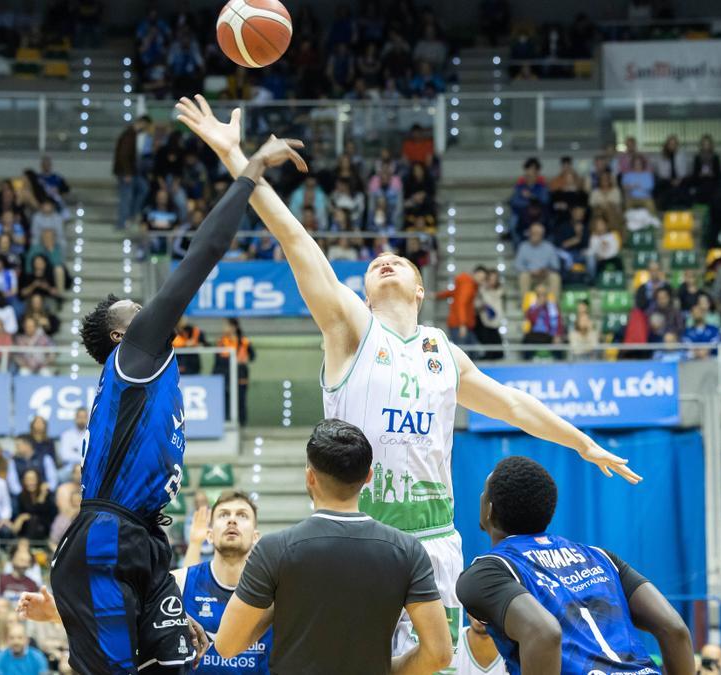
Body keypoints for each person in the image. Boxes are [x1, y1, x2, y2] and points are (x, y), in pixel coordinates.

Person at [179, 94, 638, 657]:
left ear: (421, 289)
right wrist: (237, 159)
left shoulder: (442, 351)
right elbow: (296, 241)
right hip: (355, 533)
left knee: (437, 664)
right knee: (351, 660)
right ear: (364, 289)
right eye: (375, 263)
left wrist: (584, 442)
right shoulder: (349, 327)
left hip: (433, 541)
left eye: (401, 262)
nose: (386, 261)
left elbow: (515, 405)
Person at [18, 128, 305, 673]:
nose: (145, 307)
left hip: (142, 542)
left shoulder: (145, 374)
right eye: (133, 308)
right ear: (122, 335)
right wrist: (251, 168)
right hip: (105, 540)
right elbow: (204, 253)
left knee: (185, 663)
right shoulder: (134, 358)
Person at [214, 419, 451, 674]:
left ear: (309, 476)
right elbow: (439, 654)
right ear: (369, 476)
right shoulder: (409, 551)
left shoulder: (275, 550)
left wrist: (279, 602)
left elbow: (227, 645)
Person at [456, 456, 692, 675]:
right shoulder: (601, 557)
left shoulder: (488, 571)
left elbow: (544, 633)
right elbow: (675, 629)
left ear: (489, 509)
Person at [172, 490, 272, 673]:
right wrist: (195, 542)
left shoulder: (274, 591)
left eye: (242, 515)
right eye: (224, 514)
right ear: (209, 535)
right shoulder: (180, 581)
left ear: (256, 537)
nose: (232, 520)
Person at [213, 318, 255, 426]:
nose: (224, 328)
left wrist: (244, 359)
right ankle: (227, 423)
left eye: (226, 326)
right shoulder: (221, 341)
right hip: (226, 375)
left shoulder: (244, 341)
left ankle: (242, 424)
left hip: (240, 374)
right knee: (226, 400)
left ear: (233, 327)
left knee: (241, 400)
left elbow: (252, 356)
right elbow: (217, 360)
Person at [56, 408, 89, 480]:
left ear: (88, 419)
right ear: (75, 418)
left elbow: (92, 456)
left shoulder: (92, 435)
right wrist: (83, 457)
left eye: (84, 417)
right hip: (69, 469)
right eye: (79, 417)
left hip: (88, 469)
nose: (82, 420)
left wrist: (74, 454)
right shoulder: (66, 435)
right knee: (59, 476)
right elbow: (64, 456)